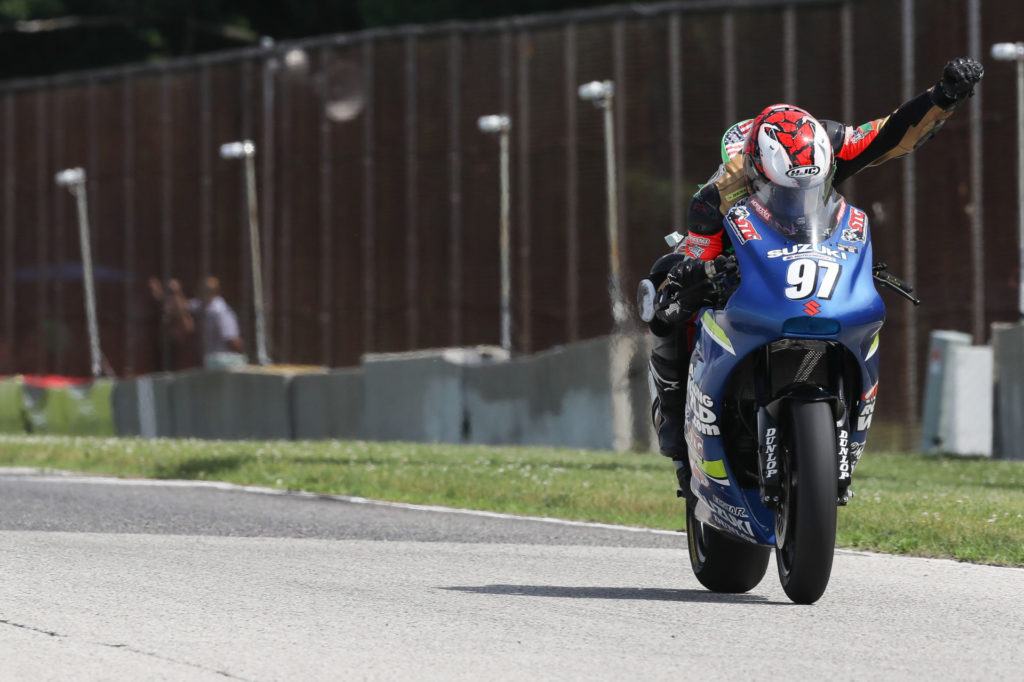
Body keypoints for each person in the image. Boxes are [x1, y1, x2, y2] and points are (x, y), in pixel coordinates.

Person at [644, 57, 984, 494]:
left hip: (815, 264)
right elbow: (694, 256)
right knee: (666, 292)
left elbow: (891, 133)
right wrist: (696, 276)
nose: (795, 193)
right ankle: (676, 434)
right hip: (746, 274)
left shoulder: (830, 144)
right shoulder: (719, 193)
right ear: (756, 170)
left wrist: (943, 97)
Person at [189, 275, 246, 369]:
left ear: (216, 292)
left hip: (222, 364)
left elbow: (233, 341)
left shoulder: (222, 313)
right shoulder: (202, 306)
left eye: (207, 291)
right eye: (201, 290)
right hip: (208, 362)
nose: (202, 294)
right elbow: (185, 306)